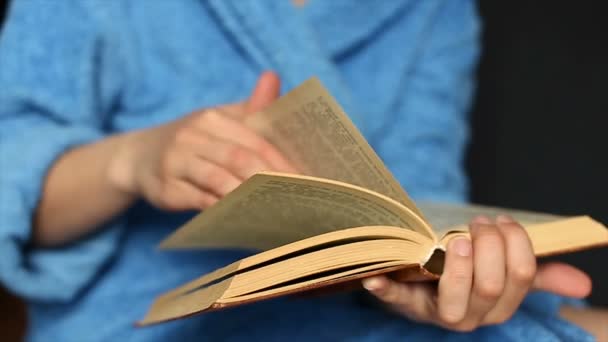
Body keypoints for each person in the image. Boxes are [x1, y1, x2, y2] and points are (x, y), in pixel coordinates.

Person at [0, 1, 596, 341]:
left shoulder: (434, 11)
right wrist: (133, 160)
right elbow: (13, 186)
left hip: (358, 316)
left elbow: (419, 203)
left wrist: (432, 282)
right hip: (140, 319)